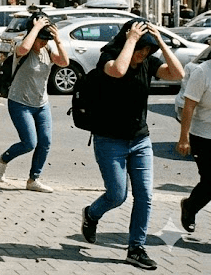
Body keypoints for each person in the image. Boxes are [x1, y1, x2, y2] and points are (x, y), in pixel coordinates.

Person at [80, 19, 184, 271]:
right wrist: (131, 41)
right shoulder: (108, 56)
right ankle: (91, 214)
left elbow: (178, 74)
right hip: (109, 140)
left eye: (148, 51)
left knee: (145, 196)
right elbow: (118, 70)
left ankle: (135, 249)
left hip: (140, 140)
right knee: (117, 195)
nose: (144, 55)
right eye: (141, 50)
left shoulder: (148, 61)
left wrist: (159, 40)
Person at [0, 13, 68, 192]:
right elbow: (25, 48)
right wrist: (35, 28)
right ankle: (3, 159)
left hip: (41, 104)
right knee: (29, 143)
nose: (43, 43)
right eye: (41, 39)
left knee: (46, 142)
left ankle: (33, 180)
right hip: (20, 102)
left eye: (46, 40)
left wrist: (57, 40)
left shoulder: (48, 50)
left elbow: (64, 62)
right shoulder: (21, 47)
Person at [177, 56, 211, 234]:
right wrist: (184, 138)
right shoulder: (202, 72)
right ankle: (190, 207)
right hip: (203, 137)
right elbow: (188, 106)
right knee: (210, 182)